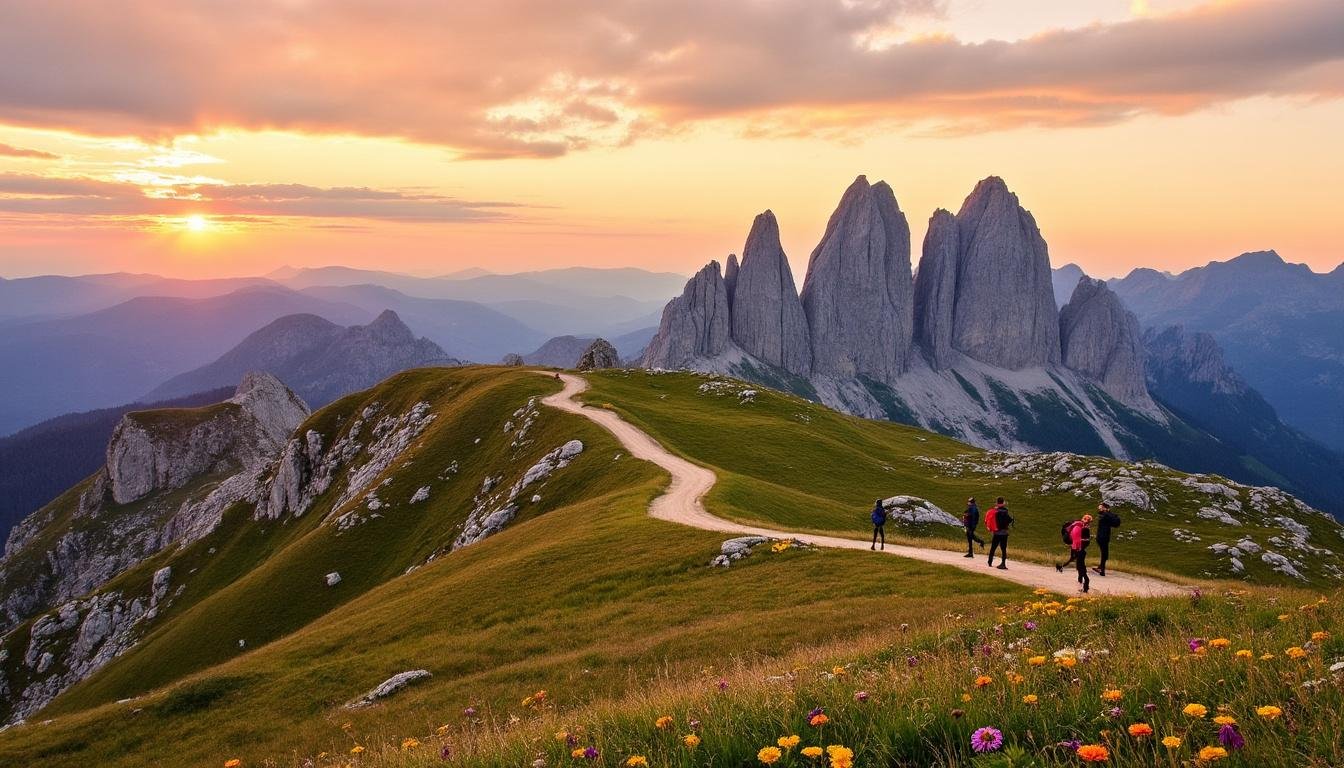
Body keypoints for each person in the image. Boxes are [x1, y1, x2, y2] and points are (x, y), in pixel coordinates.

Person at [1093, 503, 1121, 576]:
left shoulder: (1106, 515)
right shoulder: (1106, 515)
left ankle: (1101, 569)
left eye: (1100, 507)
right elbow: (1115, 523)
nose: (1099, 509)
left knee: (1104, 552)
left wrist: (1108, 511)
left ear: (1105, 508)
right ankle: (1101, 568)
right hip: (1104, 536)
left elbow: (1114, 523)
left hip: (1102, 536)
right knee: (1104, 552)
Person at [985, 497, 1012, 569]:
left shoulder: (994, 511)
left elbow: (989, 520)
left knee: (993, 548)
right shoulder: (1006, 511)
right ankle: (1003, 563)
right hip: (1004, 533)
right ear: (1003, 502)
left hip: (997, 533)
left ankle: (990, 562)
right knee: (1003, 549)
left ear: (997, 502)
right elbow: (1009, 520)